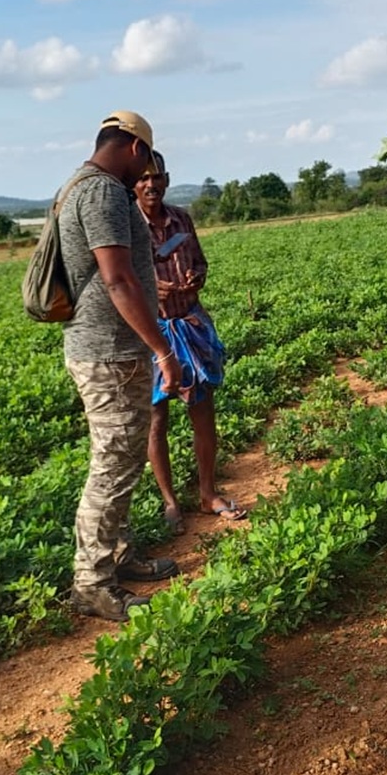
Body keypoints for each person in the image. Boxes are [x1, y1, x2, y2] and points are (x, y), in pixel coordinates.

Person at [58, 111, 183, 621]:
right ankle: (91, 582)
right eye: (147, 159)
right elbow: (118, 279)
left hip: (108, 349)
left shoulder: (80, 186)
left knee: (125, 458)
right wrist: (162, 349)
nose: (147, 172)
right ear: (136, 149)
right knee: (112, 464)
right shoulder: (104, 192)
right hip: (110, 351)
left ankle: (118, 554)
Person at [134, 150, 248, 533]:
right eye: (143, 177)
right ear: (133, 184)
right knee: (156, 418)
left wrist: (197, 276)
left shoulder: (181, 218)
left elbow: (199, 260)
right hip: (152, 331)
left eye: (157, 177)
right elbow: (119, 281)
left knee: (203, 409)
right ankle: (170, 502)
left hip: (191, 323)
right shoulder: (127, 227)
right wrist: (153, 287)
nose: (151, 184)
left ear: (166, 180)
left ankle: (207, 492)